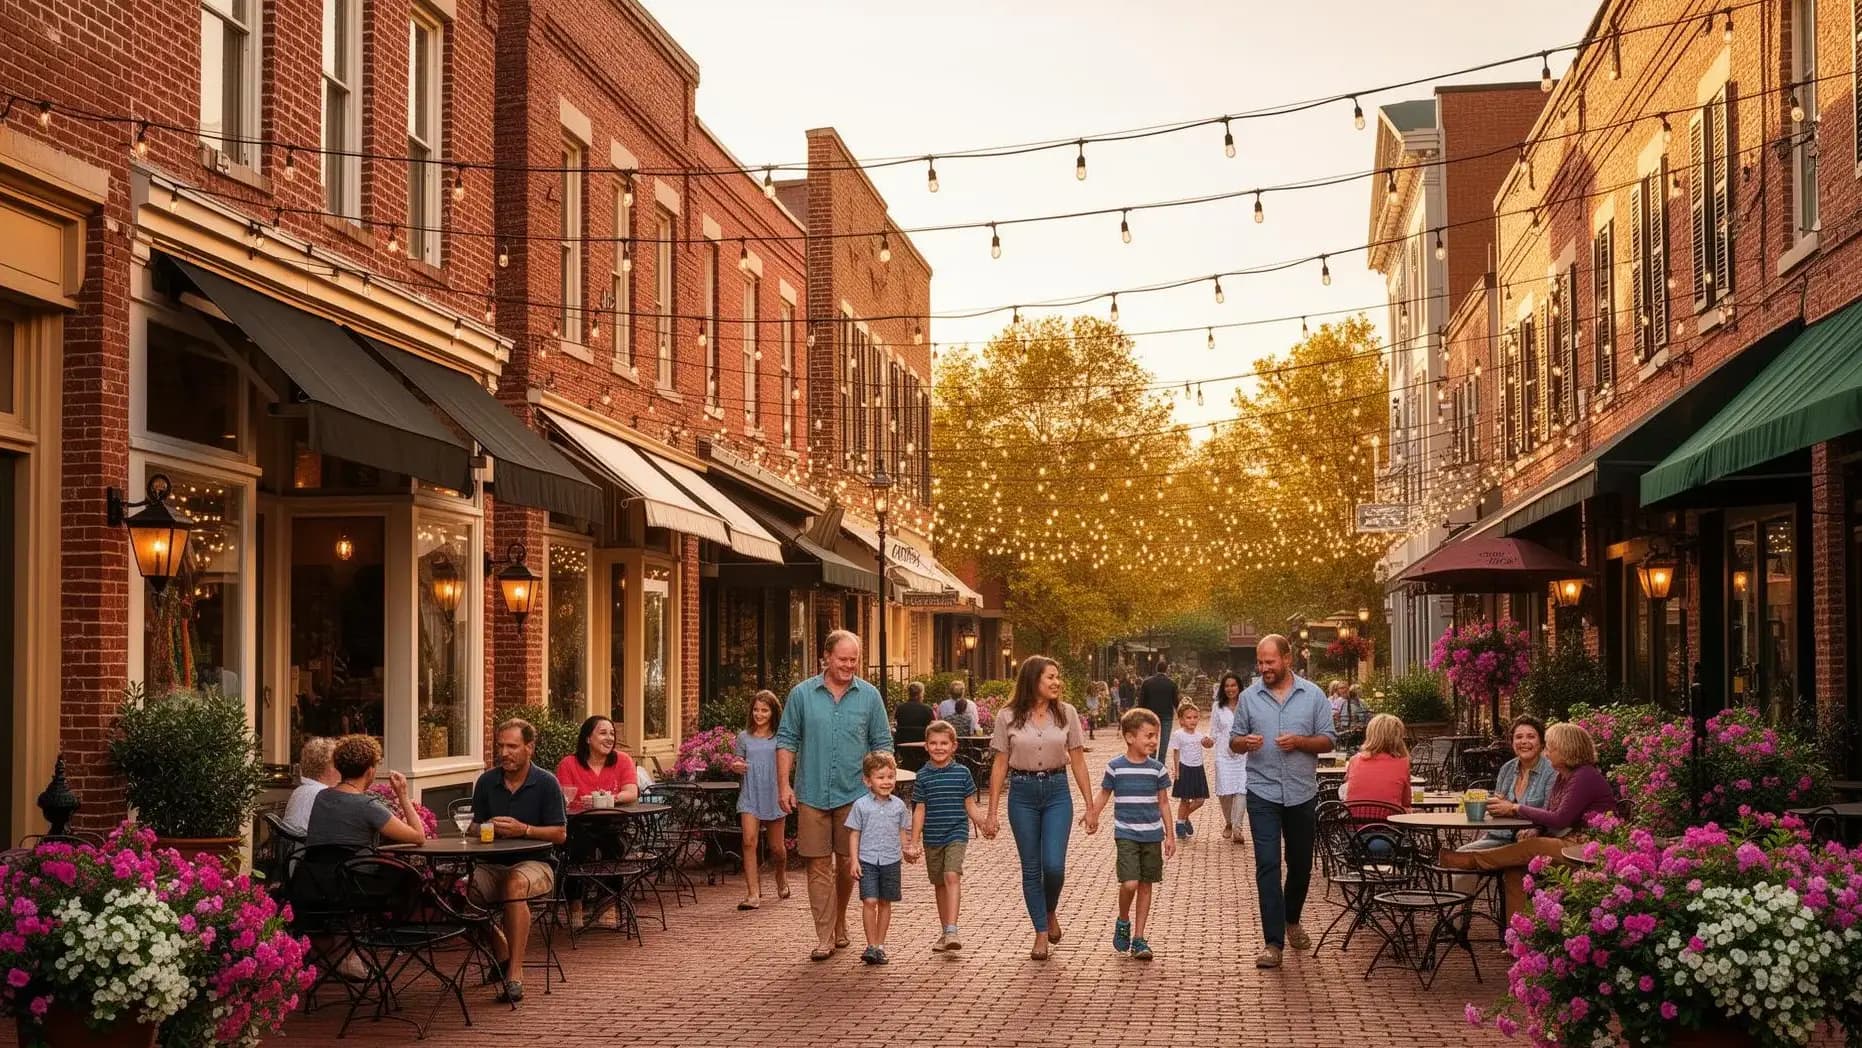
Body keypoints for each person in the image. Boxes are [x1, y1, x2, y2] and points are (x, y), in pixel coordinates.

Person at [777, 630, 894, 962]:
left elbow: (882, 744)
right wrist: (784, 785)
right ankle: (824, 935)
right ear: (825, 657)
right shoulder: (801, 695)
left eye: (854, 659)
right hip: (811, 792)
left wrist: (882, 785)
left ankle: (840, 918)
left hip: (855, 795)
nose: (848, 665)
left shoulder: (869, 697)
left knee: (846, 864)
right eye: (842, 659)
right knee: (817, 865)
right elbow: (786, 740)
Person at [1228, 634, 1337, 969]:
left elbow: (1329, 740)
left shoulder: (1314, 695)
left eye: (1270, 662)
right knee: (1267, 865)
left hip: (1302, 792)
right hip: (1262, 792)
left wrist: (1301, 742)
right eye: (1260, 663)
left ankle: (1292, 919)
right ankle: (1272, 942)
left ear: (1287, 659)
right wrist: (1244, 743)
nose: (1264, 668)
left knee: (1301, 863)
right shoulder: (1248, 698)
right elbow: (1233, 741)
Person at [1438, 722, 1618, 916]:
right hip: (1567, 840)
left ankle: (1472, 860)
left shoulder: (1584, 776)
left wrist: (1516, 807)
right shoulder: (1563, 776)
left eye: (1550, 747)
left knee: (1533, 847)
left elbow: (1559, 819)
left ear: (1567, 750)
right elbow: (1550, 814)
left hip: (1585, 848)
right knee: (1515, 870)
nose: (1547, 753)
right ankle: (1517, 938)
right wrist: (1533, 826)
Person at [983, 655, 1092, 961]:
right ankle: (1041, 932)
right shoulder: (1007, 716)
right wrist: (991, 813)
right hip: (1022, 794)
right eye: (1050, 677)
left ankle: (1049, 909)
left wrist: (1090, 805)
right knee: (1032, 868)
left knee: (1054, 866)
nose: (1057, 682)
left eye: (1058, 677)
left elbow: (1079, 762)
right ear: (1033, 680)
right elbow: (999, 765)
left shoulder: (1067, 714)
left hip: (1057, 791)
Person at [469, 719, 569, 1004]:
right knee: (460, 890)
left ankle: (514, 974)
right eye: (500, 746)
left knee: (513, 885)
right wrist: (487, 827)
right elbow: (474, 827)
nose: (505, 752)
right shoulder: (487, 781)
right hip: (491, 864)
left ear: (529, 748)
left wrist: (523, 830)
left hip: (536, 864)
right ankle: (501, 950)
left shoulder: (547, 783)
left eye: (512, 746)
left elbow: (560, 834)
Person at [1084, 707, 1175, 960]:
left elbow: (1164, 803)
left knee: (1146, 885)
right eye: (1148, 735)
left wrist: (1170, 835)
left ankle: (1139, 938)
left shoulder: (1157, 769)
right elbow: (1104, 793)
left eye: (1155, 735)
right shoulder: (1115, 767)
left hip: (1152, 835)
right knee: (1130, 882)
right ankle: (1123, 919)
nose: (1154, 741)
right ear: (1130, 737)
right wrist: (1092, 813)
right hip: (1125, 833)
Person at [911, 719, 986, 952]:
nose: (939, 747)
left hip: (956, 833)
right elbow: (919, 809)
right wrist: (914, 841)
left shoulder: (962, 773)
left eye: (944, 743)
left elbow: (970, 805)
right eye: (933, 743)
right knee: (940, 884)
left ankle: (953, 929)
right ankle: (945, 933)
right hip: (932, 836)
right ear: (926, 746)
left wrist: (984, 823)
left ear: (954, 746)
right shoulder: (922, 776)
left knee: (952, 874)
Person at [845, 751, 918, 965]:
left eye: (890, 777)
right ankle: (870, 944)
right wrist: (854, 860)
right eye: (880, 777)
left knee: (885, 902)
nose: (886, 782)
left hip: (891, 860)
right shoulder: (861, 805)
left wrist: (907, 850)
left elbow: (902, 832)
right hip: (867, 859)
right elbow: (854, 833)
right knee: (870, 900)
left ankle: (880, 945)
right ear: (868, 781)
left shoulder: (899, 806)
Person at [305, 735, 426, 850]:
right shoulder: (367, 806)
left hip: (314, 870)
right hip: (353, 870)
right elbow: (419, 836)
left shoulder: (322, 796)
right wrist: (402, 794)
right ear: (370, 771)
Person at [1459, 715, 1557, 852]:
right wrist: (1493, 805)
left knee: (1463, 859)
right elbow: (1497, 809)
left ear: (1541, 743)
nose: (1524, 741)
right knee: (1462, 855)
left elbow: (1550, 813)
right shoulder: (1507, 769)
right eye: (1518, 737)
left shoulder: (1551, 771)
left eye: (1530, 736)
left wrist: (1533, 826)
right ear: (1512, 743)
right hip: (1499, 837)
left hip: (1532, 840)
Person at [730, 690, 790, 910]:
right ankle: (753, 894)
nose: (759, 714)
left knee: (777, 848)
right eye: (756, 709)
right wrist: (736, 765)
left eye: (764, 710)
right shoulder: (744, 737)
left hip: (773, 794)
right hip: (750, 794)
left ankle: (781, 877)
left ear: (773, 712)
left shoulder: (781, 737)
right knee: (748, 842)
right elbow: (737, 760)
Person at [554, 715, 640, 803]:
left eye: (612, 734)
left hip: (615, 815)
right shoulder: (568, 764)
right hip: (579, 816)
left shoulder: (623, 760)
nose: (609, 738)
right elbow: (564, 799)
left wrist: (606, 799)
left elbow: (631, 793)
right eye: (603, 733)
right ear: (588, 738)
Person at [1207, 672, 1249, 843]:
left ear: (1239, 687)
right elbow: (1214, 732)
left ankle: (1238, 828)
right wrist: (1208, 740)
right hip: (1223, 754)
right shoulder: (1218, 707)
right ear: (1222, 689)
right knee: (1224, 792)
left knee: (1241, 790)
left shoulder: (1247, 705)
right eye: (1227, 686)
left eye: (1233, 685)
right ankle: (1229, 822)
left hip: (1243, 754)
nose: (1230, 689)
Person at [1341, 714, 1412, 810]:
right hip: (1388, 822)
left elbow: (1349, 792)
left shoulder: (1354, 760)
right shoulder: (1403, 763)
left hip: (1354, 822)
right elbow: (1406, 801)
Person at [1166, 700, 1213, 839]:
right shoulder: (1178, 734)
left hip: (1198, 769)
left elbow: (1208, 744)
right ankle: (1180, 824)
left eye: (1195, 717)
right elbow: (1176, 753)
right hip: (1185, 768)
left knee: (1200, 800)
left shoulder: (1200, 735)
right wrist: (1177, 770)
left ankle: (1184, 817)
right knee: (1185, 799)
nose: (1192, 720)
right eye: (1188, 717)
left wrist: (1209, 742)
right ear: (1181, 720)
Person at [282, 736, 339, 836]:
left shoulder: (300, 791)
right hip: (312, 849)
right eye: (337, 765)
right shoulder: (324, 795)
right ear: (327, 768)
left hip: (295, 849)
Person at [1139, 660, 1180, 744]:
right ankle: (1162, 757)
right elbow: (1175, 701)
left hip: (1151, 714)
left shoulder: (1147, 683)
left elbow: (1141, 701)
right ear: (1166, 670)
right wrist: (1181, 714)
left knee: (1152, 737)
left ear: (1156, 669)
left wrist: (1141, 714)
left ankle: (1152, 756)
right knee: (1165, 739)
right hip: (1167, 714)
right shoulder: (1171, 683)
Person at [895, 681, 934, 748]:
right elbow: (933, 726)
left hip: (903, 744)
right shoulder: (927, 709)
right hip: (922, 745)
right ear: (921, 694)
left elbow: (897, 723)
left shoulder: (900, 708)